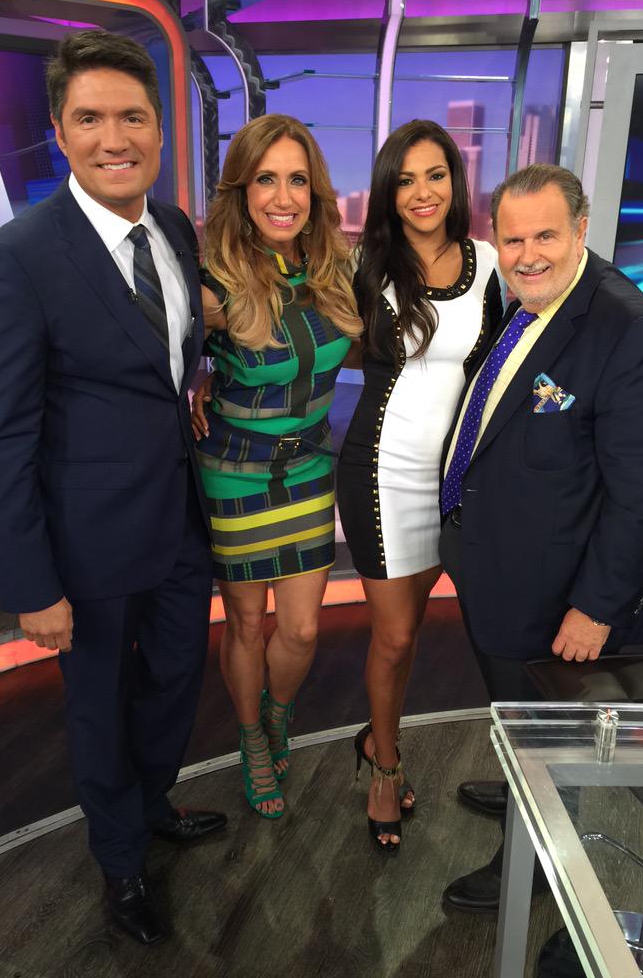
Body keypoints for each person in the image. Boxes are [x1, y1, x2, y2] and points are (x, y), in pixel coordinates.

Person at [0, 30, 227, 946]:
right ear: (58, 131)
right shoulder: (17, 259)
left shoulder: (176, 230)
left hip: (181, 525)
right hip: (86, 549)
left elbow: (166, 361)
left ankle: (151, 805)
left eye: (133, 117)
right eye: (90, 119)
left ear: (159, 127)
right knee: (101, 708)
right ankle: (121, 862)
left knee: (174, 685)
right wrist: (32, 586)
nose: (115, 138)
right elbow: (1, 439)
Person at [438, 163, 643, 911]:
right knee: (523, 722)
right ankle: (523, 785)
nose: (527, 255)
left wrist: (597, 608)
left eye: (545, 236)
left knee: (550, 737)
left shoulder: (630, 331)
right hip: (501, 570)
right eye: (512, 240)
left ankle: (536, 863)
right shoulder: (529, 307)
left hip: (557, 600)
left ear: (581, 228)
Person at [337, 120, 504, 850]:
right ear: (388, 191)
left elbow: (500, 363)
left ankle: (380, 738)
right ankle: (385, 766)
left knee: (408, 635)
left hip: (452, 477)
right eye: (405, 180)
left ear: (455, 183)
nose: (422, 192)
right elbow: (308, 342)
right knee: (396, 633)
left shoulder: (490, 262)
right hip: (379, 471)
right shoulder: (363, 263)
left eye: (435, 175)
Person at [191, 114, 362, 820]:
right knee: (246, 624)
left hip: (309, 467)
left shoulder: (335, 270)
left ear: (315, 192)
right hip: (234, 470)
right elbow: (150, 357)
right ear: (242, 190)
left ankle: (278, 713)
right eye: (266, 179)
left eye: (297, 180)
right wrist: (194, 383)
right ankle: (251, 737)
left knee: (301, 630)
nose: (283, 197)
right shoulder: (212, 282)